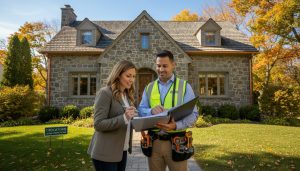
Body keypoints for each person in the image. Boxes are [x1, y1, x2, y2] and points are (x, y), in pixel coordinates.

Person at [138, 50, 198, 171]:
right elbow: (141, 110)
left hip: (177, 143)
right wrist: (150, 111)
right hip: (154, 143)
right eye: (158, 66)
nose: (161, 69)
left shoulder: (184, 86)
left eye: (165, 66)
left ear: (173, 65)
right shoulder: (149, 87)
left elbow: (194, 114)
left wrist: (176, 125)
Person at [88, 60, 137, 171]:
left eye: (134, 76)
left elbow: (126, 121)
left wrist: (136, 119)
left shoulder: (127, 95)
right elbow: (98, 124)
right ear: (118, 75)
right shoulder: (105, 93)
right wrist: (124, 117)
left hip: (121, 150)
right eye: (128, 76)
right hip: (105, 153)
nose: (132, 80)